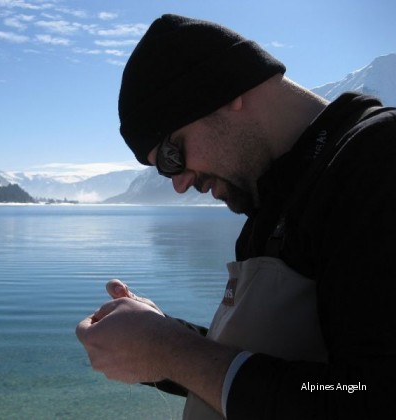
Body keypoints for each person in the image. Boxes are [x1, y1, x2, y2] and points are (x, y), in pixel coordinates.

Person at [75, 13, 396, 419]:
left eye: (173, 154)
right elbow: (291, 372)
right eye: (162, 169)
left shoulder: (377, 163)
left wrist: (174, 352)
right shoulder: (276, 198)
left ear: (226, 89)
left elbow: (364, 390)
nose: (178, 183)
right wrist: (156, 339)